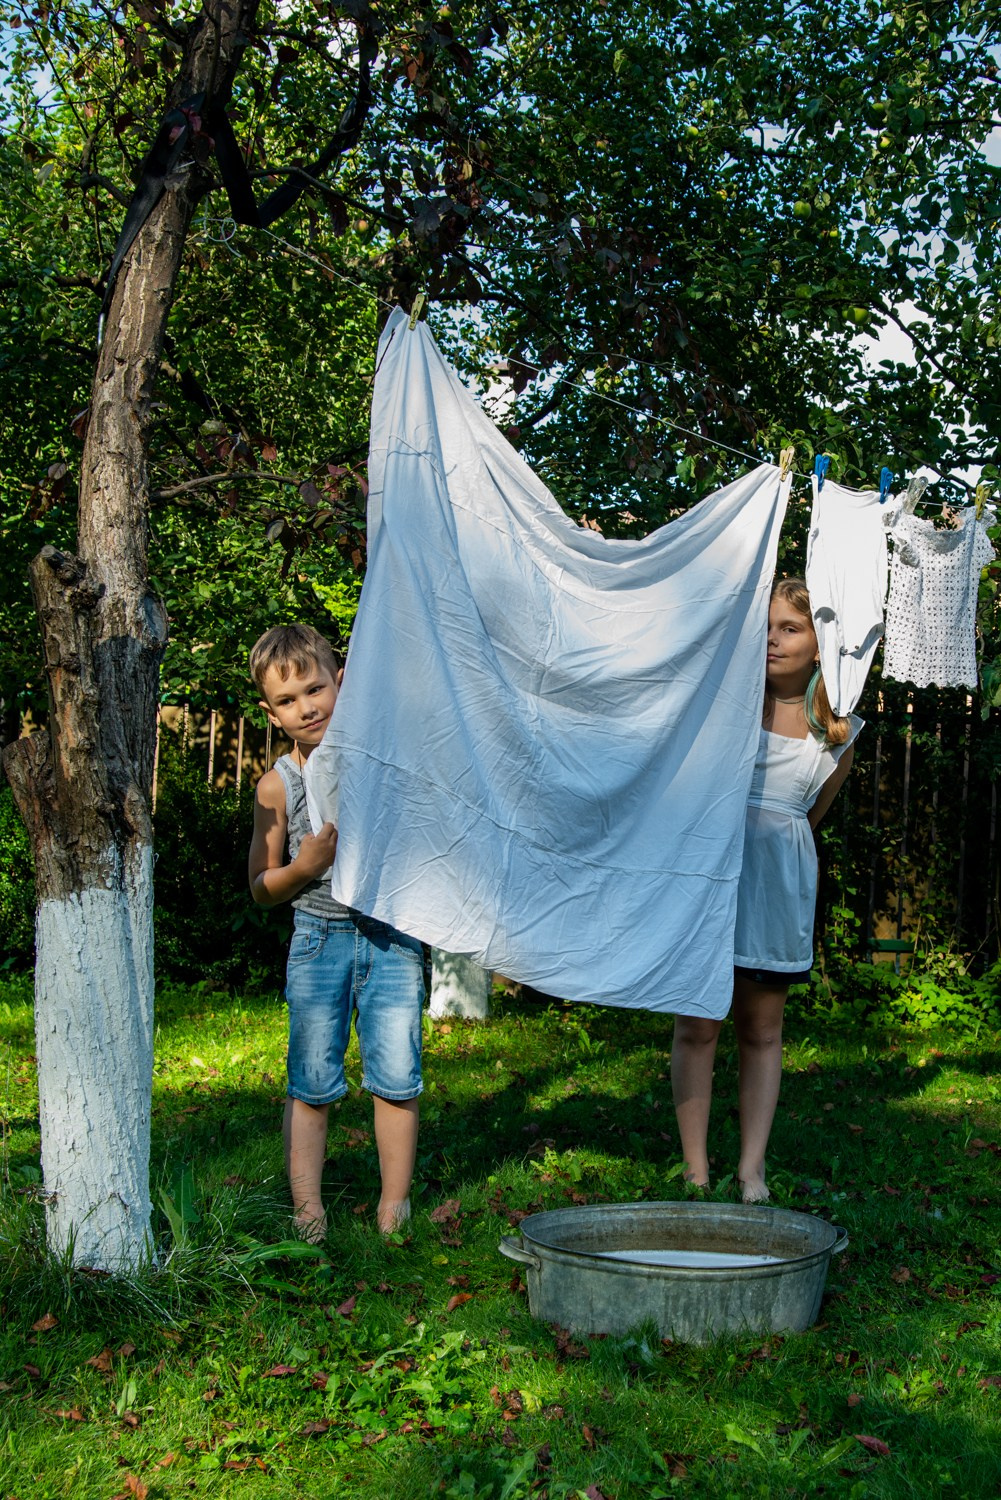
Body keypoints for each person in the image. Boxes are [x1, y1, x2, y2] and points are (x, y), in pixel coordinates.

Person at [670, 577, 862, 1203]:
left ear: (819, 644)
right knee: (698, 1024)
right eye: (768, 627)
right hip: (710, 878)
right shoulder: (727, 702)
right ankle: (695, 1167)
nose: (774, 641)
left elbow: (806, 819)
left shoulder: (838, 732)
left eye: (791, 629)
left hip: (775, 891)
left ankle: (751, 1167)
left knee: (762, 1030)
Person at [247, 624, 425, 1240]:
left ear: (341, 681)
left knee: (396, 1074)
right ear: (270, 713)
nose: (307, 707)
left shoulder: (378, 759)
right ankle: (307, 1207)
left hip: (392, 937)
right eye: (289, 700)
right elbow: (260, 887)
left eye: (316, 689)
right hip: (319, 941)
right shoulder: (279, 786)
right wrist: (303, 868)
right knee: (312, 1078)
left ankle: (393, 1205)